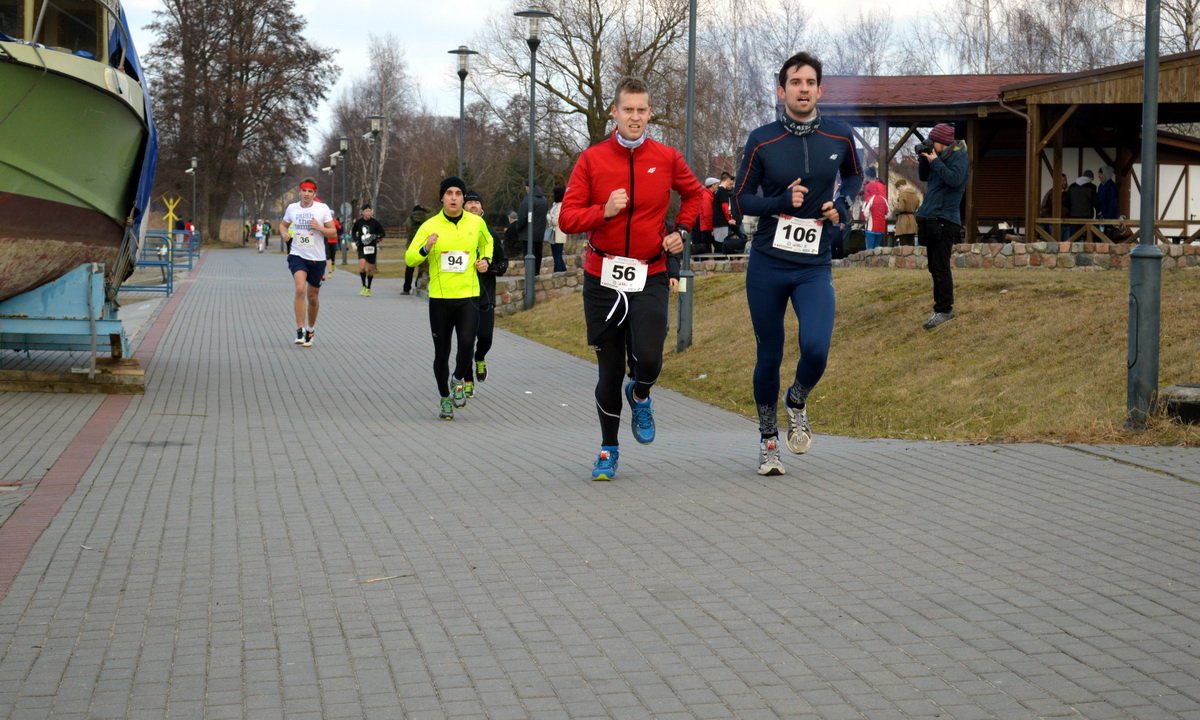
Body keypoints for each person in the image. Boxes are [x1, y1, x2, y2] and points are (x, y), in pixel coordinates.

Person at [558, 75, 705, 481]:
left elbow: (696, 195)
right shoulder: (592, 160)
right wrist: (602, 211)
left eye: (642, 110)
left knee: (650, 357)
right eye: (628, 110)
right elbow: (567, 218)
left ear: (650, 113)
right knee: (608, 371)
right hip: (603, 277)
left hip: (650, 271)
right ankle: (608, 448)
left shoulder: (667, 157)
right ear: (614, 112)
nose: (635, 117)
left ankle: (639, 393)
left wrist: (682, 231)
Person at [733, 51, 862, 477]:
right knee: (769, 354)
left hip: (813, 264)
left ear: (820, 90)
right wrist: (779, 202)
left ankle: (797, 400)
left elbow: (855, 176)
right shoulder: (762, 140)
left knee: (816, 348)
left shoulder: (840, 136)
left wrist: (841, 204)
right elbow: (739, 200)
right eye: (795, 82)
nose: (802, 89)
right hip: (768, 264)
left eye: (809, 82)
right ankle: (769, 440)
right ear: (781, 90)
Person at [404, 176, 493, 421]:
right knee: (441, 352)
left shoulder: (476, 223)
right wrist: (426, 248)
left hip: (468, 296)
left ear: (463, 199)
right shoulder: (429, 226)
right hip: (441, 300)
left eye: (458, 193)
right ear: (442, 198)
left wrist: (486, 260)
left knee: (467, 344)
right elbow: (410, 258)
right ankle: (444, 398)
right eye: (449, 193)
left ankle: (458, 379)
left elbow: (488, 243)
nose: (454, 197)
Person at [915, 121, 969, 330]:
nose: (931, 145)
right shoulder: (938, 157)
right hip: (931, 217)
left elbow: (955, 180)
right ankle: (939, 308)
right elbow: (923, 176)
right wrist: (924, 158)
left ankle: (945, 310)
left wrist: (936, 161)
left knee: (941, 266)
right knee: (933, 267)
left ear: (942, 142)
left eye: (933, 142)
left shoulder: (959, 156)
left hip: (945, 219)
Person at [279, 177, 336, 347]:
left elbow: (333, 232)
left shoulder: (322, 209)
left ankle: (311, 329)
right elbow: (283, 225)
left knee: (313, 297)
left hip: (317, 258)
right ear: (300, 192)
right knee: (300, 289)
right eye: (304, 190)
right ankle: (300, 330)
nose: (306, 194)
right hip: (297, 254)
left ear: (314, 193)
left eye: (310, 191)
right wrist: (284, 234)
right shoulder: (292, 208)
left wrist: (320, 228)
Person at [463, 190, 508, 386]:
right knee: (465, 341)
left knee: (485, 337)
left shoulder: (490, 234)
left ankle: (480, 357)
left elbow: (503, 263)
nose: (473, 205)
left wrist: (490, 267)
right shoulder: (457, 233)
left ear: (482, 208)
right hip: (463, 295)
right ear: (463, 207)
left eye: (477, 202)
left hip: (485, 295)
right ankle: (467, 381)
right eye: (469, 202)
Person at [351, 203, 386, 296]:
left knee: (370, 270)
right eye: (366, 211)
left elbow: (382, 233)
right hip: (361, 247)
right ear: (362, 212)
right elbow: (353, 232)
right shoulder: (359, 222)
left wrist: (376, 237)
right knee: (362, 267)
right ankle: (363, 286)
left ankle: (368, 288)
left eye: (370, 211)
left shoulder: (375, 222)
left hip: (371, 248)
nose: (368, 213)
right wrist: (354, 241)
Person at [517, 183, 549, 274]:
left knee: (528, 256)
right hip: (540, 234)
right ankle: (536, 275)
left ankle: (530, 276)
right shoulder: (544, 200)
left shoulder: (528, 200)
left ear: (528, 187)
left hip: (527, 235)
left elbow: (522, 217)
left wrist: (518, 228)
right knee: (538, 256)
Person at [402, 204, 429, 295]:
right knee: (423, 267)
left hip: (411, 246)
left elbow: (407, 230)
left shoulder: (409, 220)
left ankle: (406, 289)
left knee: (409, 268)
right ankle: (418, 284)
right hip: (423, 245)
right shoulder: (426, 219)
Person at [712, 172, 741, 253]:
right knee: (721, 245)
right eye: (730, 182)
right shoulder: (723, 192)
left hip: (716, 222)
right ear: (727, 180)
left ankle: (718, 257)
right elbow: (725, 206)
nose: (731, 184)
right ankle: (720, 259)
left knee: (718, 243)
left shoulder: (717, 191)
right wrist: (729, 219)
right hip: (721, 223)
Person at [1066, 169, 1098, 240]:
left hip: (1074, 217)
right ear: (1090, 178)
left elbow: (1066, 202)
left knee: (1073, 239)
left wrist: (1072, 209)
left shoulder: (1072, 186)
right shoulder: (1092, 187)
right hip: (1087, 218)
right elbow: (1095, 202)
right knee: (1088, 239)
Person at [861, 167, 889, 250]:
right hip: (881, 226)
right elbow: (888, 212)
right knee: (877, 250)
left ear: (867, 176)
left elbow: (865, 211)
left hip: (870, 225)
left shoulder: (868, 188)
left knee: (869, 250)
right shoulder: (882, 187)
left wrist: (864, 220)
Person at [1039, 173, 1069, 240]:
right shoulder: (1052, 193)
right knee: (1055, 242)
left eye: (1065, 180)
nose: (1065, 182)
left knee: (1066, 243)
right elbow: (1046, 207)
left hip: (1065, 223)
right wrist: (1050, 219)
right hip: (1054, 222)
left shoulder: (1066, 192)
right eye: (1063, 181)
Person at [546, 186, 569, 272]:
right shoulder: (556, 205)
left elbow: (556, 221)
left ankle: (559, 272)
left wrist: (548, 216)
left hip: (558, 234)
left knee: (557, 256)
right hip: (555, 234)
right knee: (556, 255)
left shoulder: (560, 206)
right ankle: (562, 271)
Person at [891, 179, 920, 246]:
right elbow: (917, 206)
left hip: (903, 222)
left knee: (904, 245)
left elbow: (901, 208)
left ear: (901, 186)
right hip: (912, 221)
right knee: (911, 245)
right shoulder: (915, 195)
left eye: (898, 189)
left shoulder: (903, 194)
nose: (899, 191)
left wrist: (894, 205)